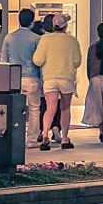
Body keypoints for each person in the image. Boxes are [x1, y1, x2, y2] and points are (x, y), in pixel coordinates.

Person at [33, 16, 81, 149]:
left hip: (50, 78)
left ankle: (45, 135)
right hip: (66, 78)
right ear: (65, 26)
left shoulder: (45, 39)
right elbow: (77, 61)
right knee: (65, 108)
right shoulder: (72, 40)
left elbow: (37, 60)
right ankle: (65, 138)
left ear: (53, 26)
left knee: (50, 108)